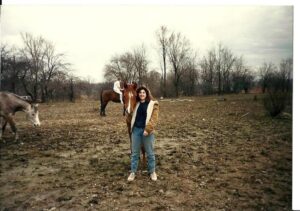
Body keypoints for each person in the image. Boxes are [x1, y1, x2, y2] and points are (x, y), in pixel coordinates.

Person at [127, 86, 159, 182]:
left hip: (147, 131)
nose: (142, 94)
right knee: (135, 153)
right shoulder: (135, 104)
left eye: (143, 92)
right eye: (140, 92)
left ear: (147, 94)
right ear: (138, 94)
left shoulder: (153, 104)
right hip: (136, 131)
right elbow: (130, 117)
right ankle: (133, 172)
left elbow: (154, 119)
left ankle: (152, 171)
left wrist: (148, 129)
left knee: (150, 153)